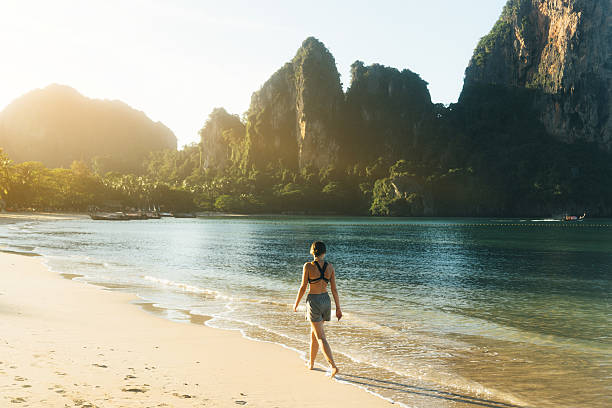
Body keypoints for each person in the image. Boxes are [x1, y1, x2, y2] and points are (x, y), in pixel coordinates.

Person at [293, 241, 342, 378]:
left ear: (312, 251)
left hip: (314, 301)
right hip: (326, 301)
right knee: (314, 334)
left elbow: (303, 287)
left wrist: (296, 303)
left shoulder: (308, 266)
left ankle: (333, 366)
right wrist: (338, 308)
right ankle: (311, 363)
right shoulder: (330, 267)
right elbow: (334, 289)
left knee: (320, 337)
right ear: (324, 252)